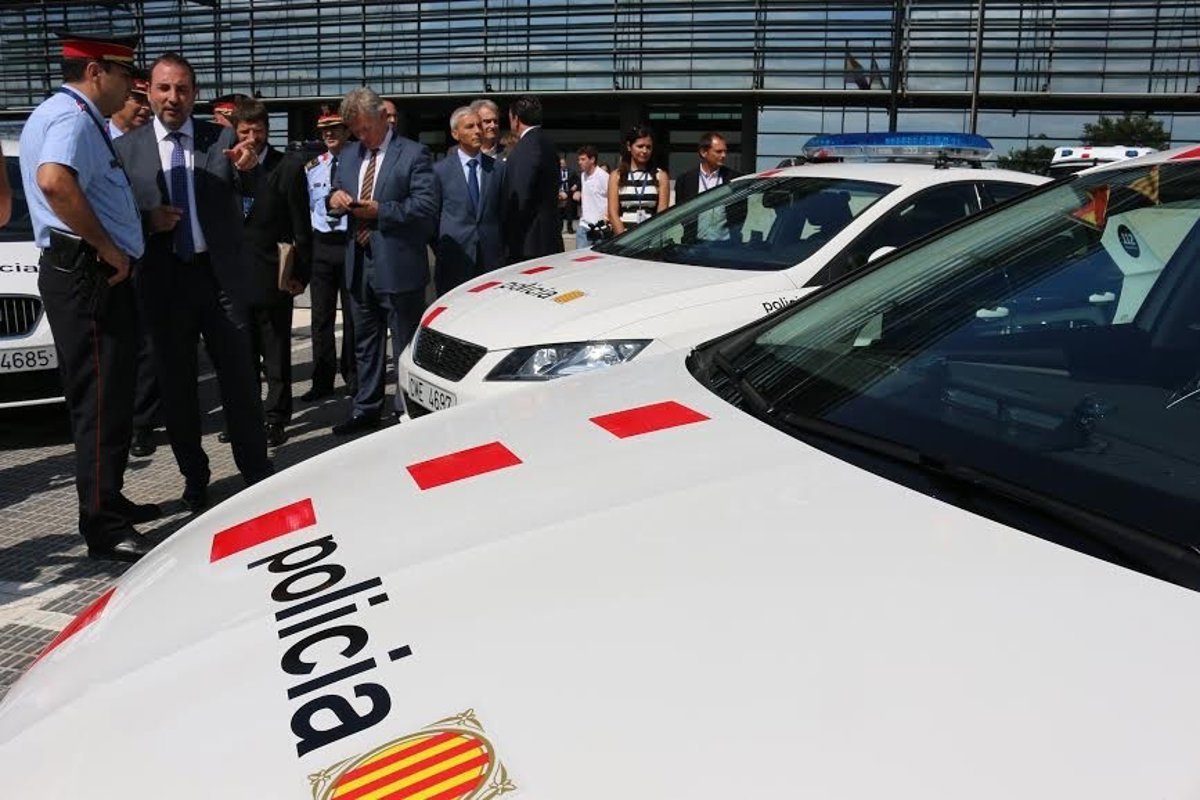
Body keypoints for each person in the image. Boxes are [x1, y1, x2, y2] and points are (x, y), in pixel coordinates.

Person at [19, 33, 162, 562]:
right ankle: (103, 526)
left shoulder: (66, 115)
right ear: (97, 71)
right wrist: (108, 248)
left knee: (112, 394)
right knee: (100, 402)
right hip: (89, 275)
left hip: (90, 274)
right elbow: (55, 181)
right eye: (125, 76)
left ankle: (109, 498)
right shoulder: (73, 119)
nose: (130, 87)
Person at [114, 52, 272, 514]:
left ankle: (256, 473)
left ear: (194, 94)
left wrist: (249, 169)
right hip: (164, 282)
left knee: (241, 382)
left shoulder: (219, 137)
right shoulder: (126, 150)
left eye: (182, 89)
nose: (173, 97)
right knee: (178, 388)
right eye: (164, 88)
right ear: (149, 91)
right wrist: (148, 222)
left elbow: (254, 193)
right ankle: (195, 479)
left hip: (220, 280)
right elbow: (115, 216)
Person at [326, 88, 438, 435]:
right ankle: (366, 408)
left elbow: (426, 207)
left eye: (365, 128)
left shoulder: (414, 154)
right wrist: (334, 199)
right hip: (358, 263)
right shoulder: (348, 155)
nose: (361, 136)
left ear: (382, 118)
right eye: (355, 130)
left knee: (403, 342)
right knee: (365, 342)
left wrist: (381, 211)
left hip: (398, 265)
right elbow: (332, 192)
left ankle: (405, 410)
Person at [233, 98, 308, 448]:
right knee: (242, 356)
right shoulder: (225, 166)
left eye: (258, 130)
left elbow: (301, 226)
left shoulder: (287, 167)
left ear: (267, 130)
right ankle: (248, 417)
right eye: (244, 131)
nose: (252, 138)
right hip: (235, 280)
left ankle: (276, 418)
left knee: (276, 354)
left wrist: (300, 275)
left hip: (274, 276)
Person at [106, 75, 160, 458]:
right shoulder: (98, 141)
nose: (143, 107)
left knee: (150, 345)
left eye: (145, 99)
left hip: (153, 259)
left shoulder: (153, 144)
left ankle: (142, 422)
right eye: (135, 99)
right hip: (108, 261)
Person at [302, 110, 357, 402]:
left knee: (352, 315)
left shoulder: (359, 163)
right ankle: (322, 379)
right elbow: (308, 207)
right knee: (321, 317)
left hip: (349, 242)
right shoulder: (313, 166)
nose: (329, 134)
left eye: (335, 128)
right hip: (322, 245)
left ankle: (352, 375)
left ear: (347, 131)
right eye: (325, 130)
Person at [431, 106, 505, 296]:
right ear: (455, 133)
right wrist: (443, 248)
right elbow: (432, 218)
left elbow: (504, 213)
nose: (478, 131)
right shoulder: (440, 171)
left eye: (479, 125)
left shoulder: (497, 169)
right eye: (470, 127)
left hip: (491, 261)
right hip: (454, 259)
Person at [499, 95, 563, 263]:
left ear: (516, 119)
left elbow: (518, 195)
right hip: (548, 236)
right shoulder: (547, 142)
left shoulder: (526, 147)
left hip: (529, 243)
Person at [608, 124, 670, 235]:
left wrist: (649, 238)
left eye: (648, 147)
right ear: (629, 146)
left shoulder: (660, 176)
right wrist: (624, 238)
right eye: (640, 146)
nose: (645, 151)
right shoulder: (617, 175)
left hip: (651, 237)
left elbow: (662, 213)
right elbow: (612, 212)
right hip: (623, 237)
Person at [672, 131, 741, 205]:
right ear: (703, 152)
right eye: (719, 151)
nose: (724, 155)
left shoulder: (735, 178)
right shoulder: (684, 181)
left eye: (725, 151)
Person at [574, 145, 608, 249]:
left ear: (592, 160)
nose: (579, 162)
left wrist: (607, 217)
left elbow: (612, 198)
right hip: (584, 226)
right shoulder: (583, 175)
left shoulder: (604, 176)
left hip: (600, 228)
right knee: (580, 257)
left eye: (583, 159)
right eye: (579, 159)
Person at [557, 155, 580, 234]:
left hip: (569, 193)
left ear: (566, 164)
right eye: (561, 164)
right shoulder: (556, 172)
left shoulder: (572, 172)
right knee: (559, 214)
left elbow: (578, 181)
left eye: (563, 163)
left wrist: (575, 185)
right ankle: (559, 229)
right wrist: (559, 192)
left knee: (569, 213)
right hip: (560, 194)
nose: (562, 165)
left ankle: (570, 228)